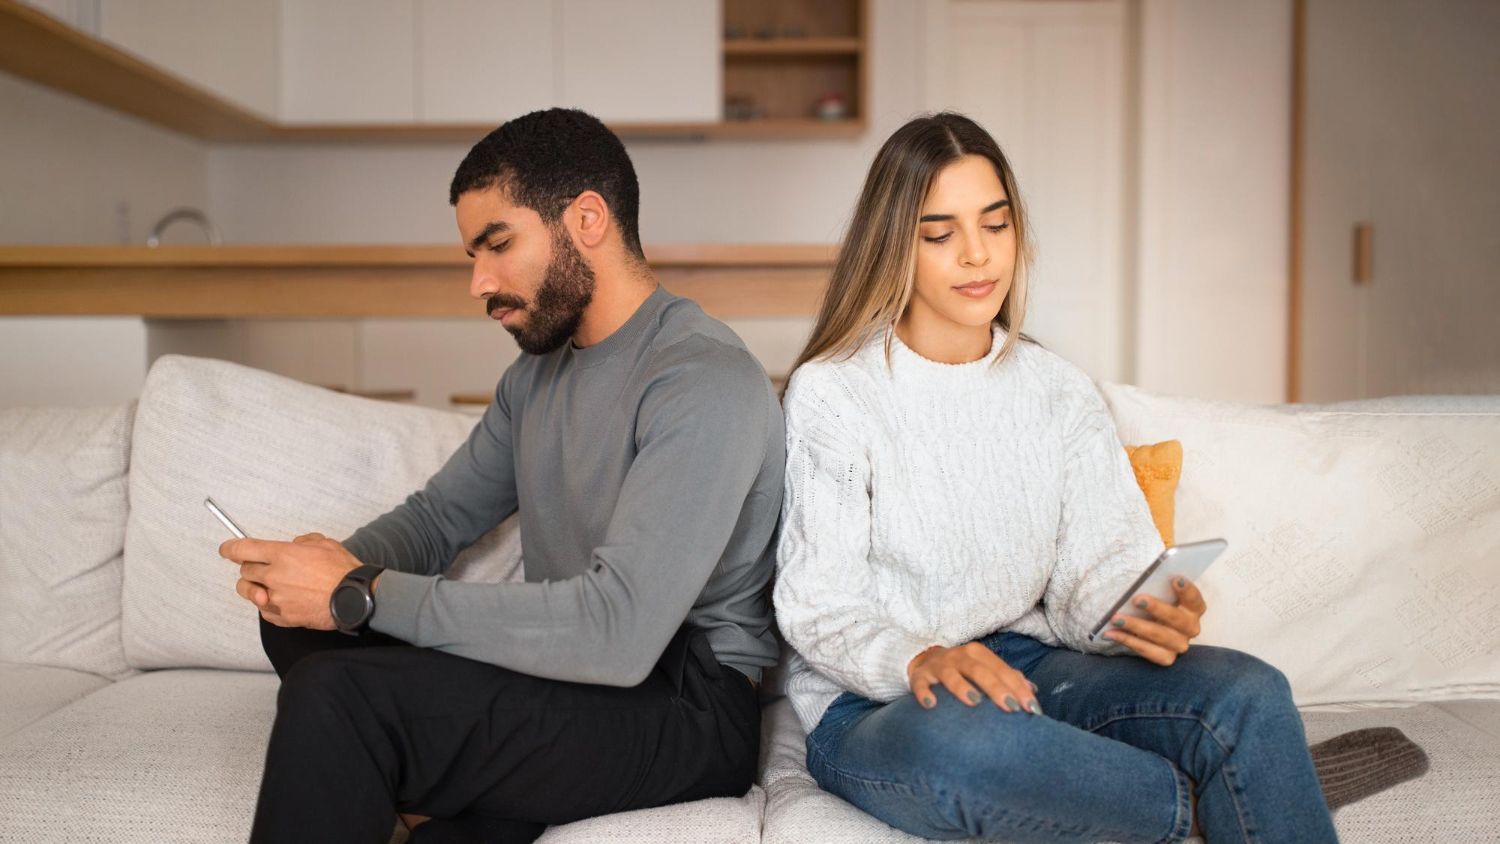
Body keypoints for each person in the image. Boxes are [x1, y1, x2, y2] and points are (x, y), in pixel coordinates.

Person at [772, 112, 1341, 842]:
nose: (977, 256)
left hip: (1034, 666)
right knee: (971, 749)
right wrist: (923, 657)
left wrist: (1136, 611)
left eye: (996, 225)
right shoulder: (834, 393)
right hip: (878, 703)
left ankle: (1212, 781)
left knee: (1250, 694)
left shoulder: (1058, 390)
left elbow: (1091, 576)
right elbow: (817, 605)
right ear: (895, 247)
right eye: (941, 234)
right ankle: (1218, 797)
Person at [219, 108, 784, 844]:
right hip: (567, 678)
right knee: (299, 631)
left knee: (339, 695)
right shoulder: (535, 377)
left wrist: (364, 594)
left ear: (586, 219)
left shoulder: (702, 378)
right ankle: (465, 806)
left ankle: (437, 786)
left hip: (681, 702)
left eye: (498, 244)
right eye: (471, 256)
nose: (479, 282)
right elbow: (435, 520)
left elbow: (617, 632)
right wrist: (327, 571)